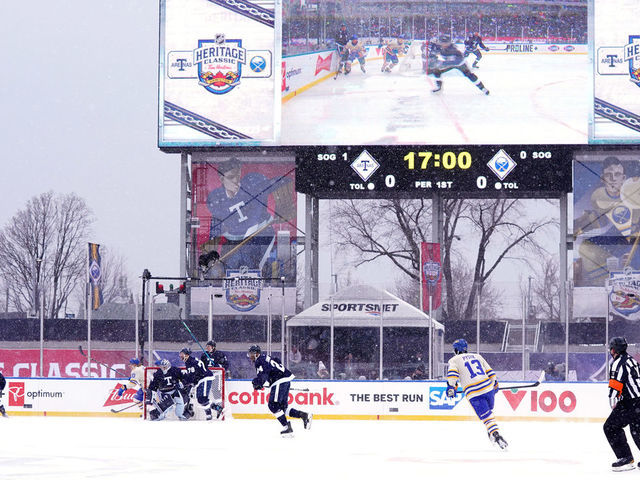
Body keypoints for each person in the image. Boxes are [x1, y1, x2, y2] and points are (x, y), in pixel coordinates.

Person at [200, 157, 295, 277]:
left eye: (237, 175)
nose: (235, 180)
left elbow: (281, 181)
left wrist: (284, 203)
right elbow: (216, 223)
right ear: (221, 179)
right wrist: (211, 249)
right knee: (228, 272)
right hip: (234, 241)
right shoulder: (216, 198)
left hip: (260, 234)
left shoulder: (252, 184)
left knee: (253, 270)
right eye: (230, 177)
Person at [574, 156, 640, 286]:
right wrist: (578, 226)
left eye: (617, 174)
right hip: (619, 239)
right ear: (603, 179)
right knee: (587, 248)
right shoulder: (600, 198)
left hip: (634, 242)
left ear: (624, 178)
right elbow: (599, 220)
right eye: (609, 175)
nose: (613, 178)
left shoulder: (635, 195)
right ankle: (604, 284)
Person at [446, 338, 507, 449]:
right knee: (489, 413)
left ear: (456, 350)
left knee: (487, 417)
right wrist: (494, 384)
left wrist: (451, 387)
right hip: (488, 389)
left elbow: (453, 375)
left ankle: (496, 435)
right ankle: (491, 430)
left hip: (474, 393)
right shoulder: (478, 356)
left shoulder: (454, 360)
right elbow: (491, 373)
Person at [248, 344, 312, 436]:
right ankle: (304, 415)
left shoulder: (259, 360)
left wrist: (257, 382)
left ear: (257, 354)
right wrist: (264, 382)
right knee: (282, 407)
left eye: (251, 354)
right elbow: (277, 362)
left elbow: (263, 375)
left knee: (273, 405)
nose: (250, 356)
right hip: (283, 379)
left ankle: (287, 427)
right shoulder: (266, 357)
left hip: (279, 380)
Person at [603, 337, 640, 471]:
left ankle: (626, 458)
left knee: (610, 427)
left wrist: (613, 401)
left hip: (631, 402)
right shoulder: (631, 360)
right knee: (637, 430)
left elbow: (615, 385)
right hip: (638, 400)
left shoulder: (618, 363)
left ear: (614, 350)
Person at [180, 347, 223, 420]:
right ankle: (213, 411)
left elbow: (192, 376)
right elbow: (192, 376)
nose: (180, 356)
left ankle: (214, 411)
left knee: (202, 399)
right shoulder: (189, 362)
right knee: (200, 399)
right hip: (201, 379)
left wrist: (185, 383)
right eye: (180, 354)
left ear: (187, 355)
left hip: (205, 378)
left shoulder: (192, 362)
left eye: (182, 354)